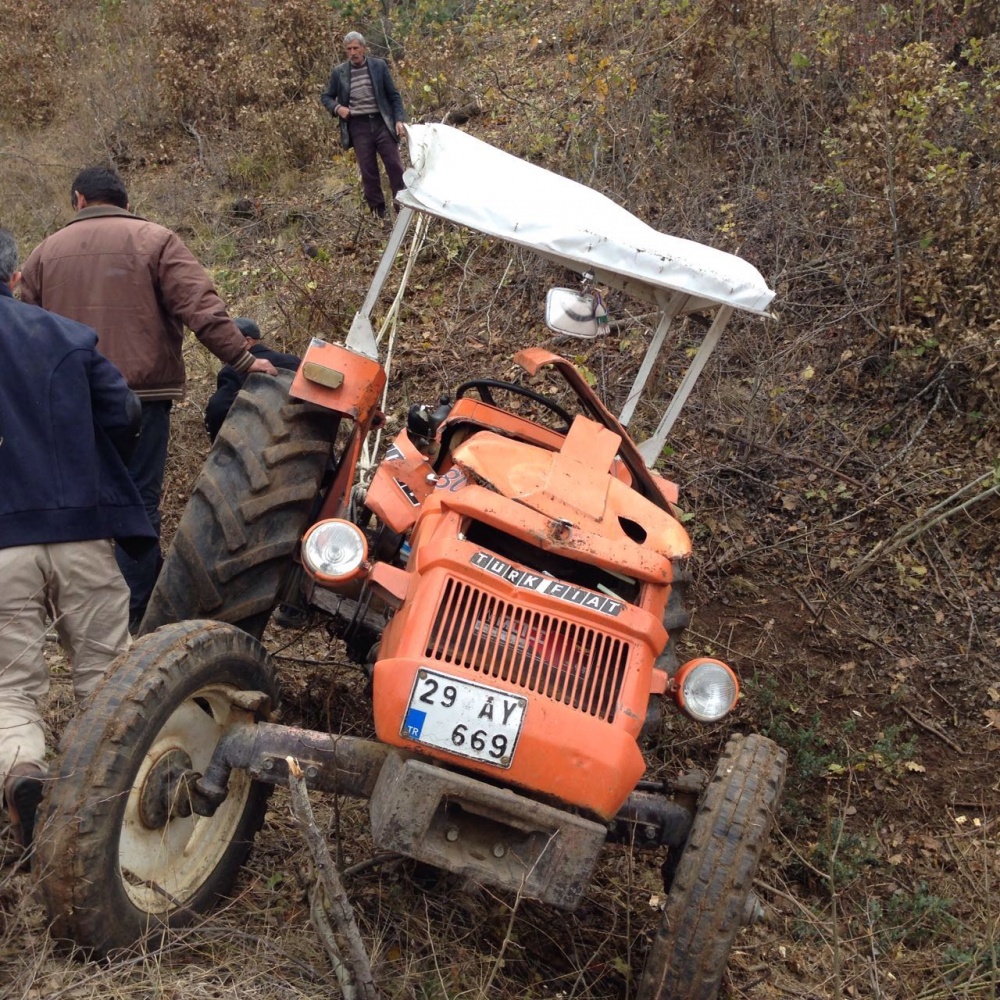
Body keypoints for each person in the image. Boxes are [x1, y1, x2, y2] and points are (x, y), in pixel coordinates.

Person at [19, 166, 278, 630]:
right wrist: (242, 360)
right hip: (142, 397)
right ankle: (138, 616)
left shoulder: (44, 254)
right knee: (138, 503)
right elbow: (200, 305)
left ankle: (83, 619)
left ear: (79, 199)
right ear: (122, 199)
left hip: (69, 403)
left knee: (81, 505)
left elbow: (23, 330)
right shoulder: (156, 240)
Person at [0, 227, 156, 853]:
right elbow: (125, 413)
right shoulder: (62, 336)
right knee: (106, 672)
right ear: (14, 276)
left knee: (9, 686)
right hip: (81, 530)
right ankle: (105, 804)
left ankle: (22, 776)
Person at [321, 31, 408, 218]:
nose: (353, 52)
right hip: (358, 126)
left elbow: (394, 96)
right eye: (349, 49)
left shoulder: (378, 66)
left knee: (394, 166)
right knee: (369, 172)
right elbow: (326, 96)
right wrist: (337, 108)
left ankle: (402, 209)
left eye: (356, 48)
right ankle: (379, 214)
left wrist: (399, 120)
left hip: (382, 122)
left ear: (363, 48)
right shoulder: (340, 72)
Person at [204, 317, 301, 441]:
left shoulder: (233, 370)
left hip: (260, 442)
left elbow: (218, 410)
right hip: (303, 437)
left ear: (247, 341)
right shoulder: (293, 361)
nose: (224, 347)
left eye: (229, 341)